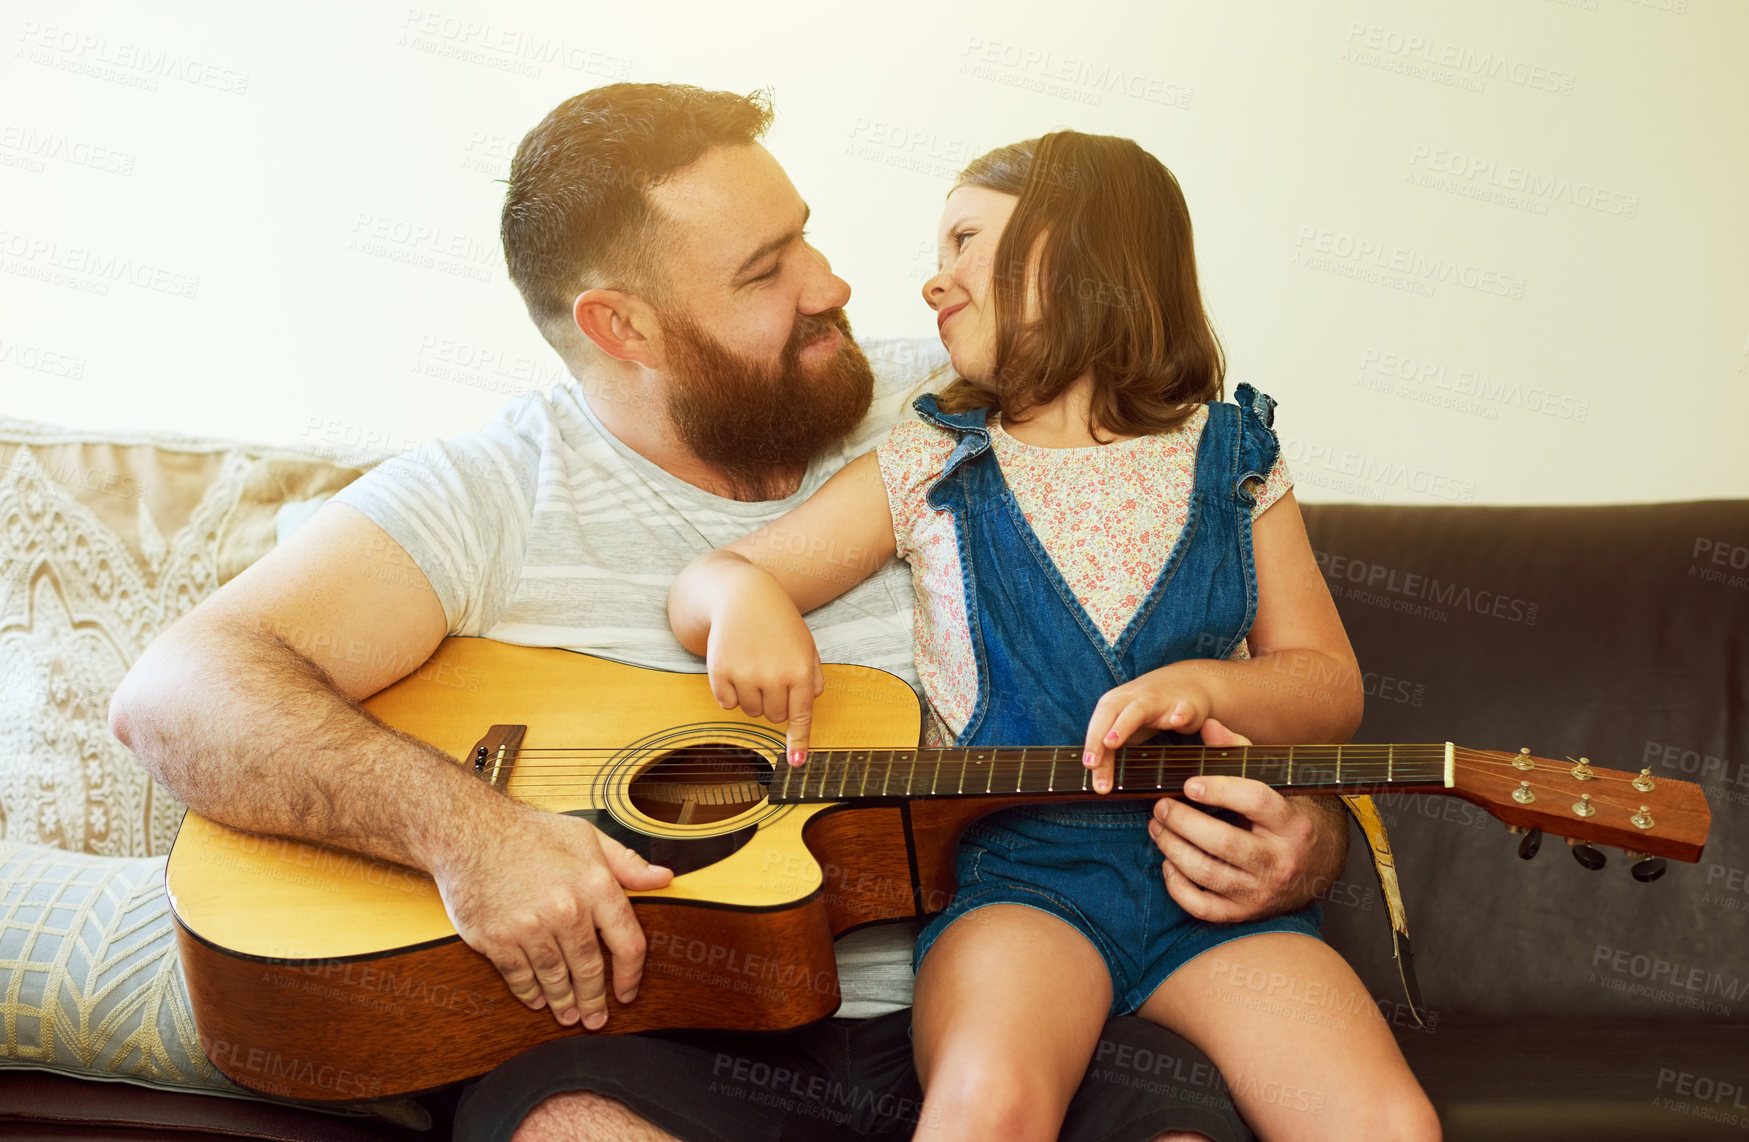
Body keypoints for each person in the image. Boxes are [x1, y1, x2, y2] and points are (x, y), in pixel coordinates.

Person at [108, 85, 1354, 1142]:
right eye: (768, 270)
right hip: (660, 1038)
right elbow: (178, 690)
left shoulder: (967, 399)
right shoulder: (487, 492)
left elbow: (1215, 631)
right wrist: (469, 834)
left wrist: (1303, 837)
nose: (837, 283)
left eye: (804, 235)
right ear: (624, 326)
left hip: (1018, 974)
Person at [667, 132, 1441, 1141]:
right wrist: (740, 599)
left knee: (1385, 1118)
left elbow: (1329, 684)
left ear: (1076, 251)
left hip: (1212, 890)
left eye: (963, 242)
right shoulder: (930, 462)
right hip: (1019, 885)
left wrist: (1211, 688)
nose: (932, 281)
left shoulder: (1235, 458)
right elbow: (713, 577)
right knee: (989, 1103)